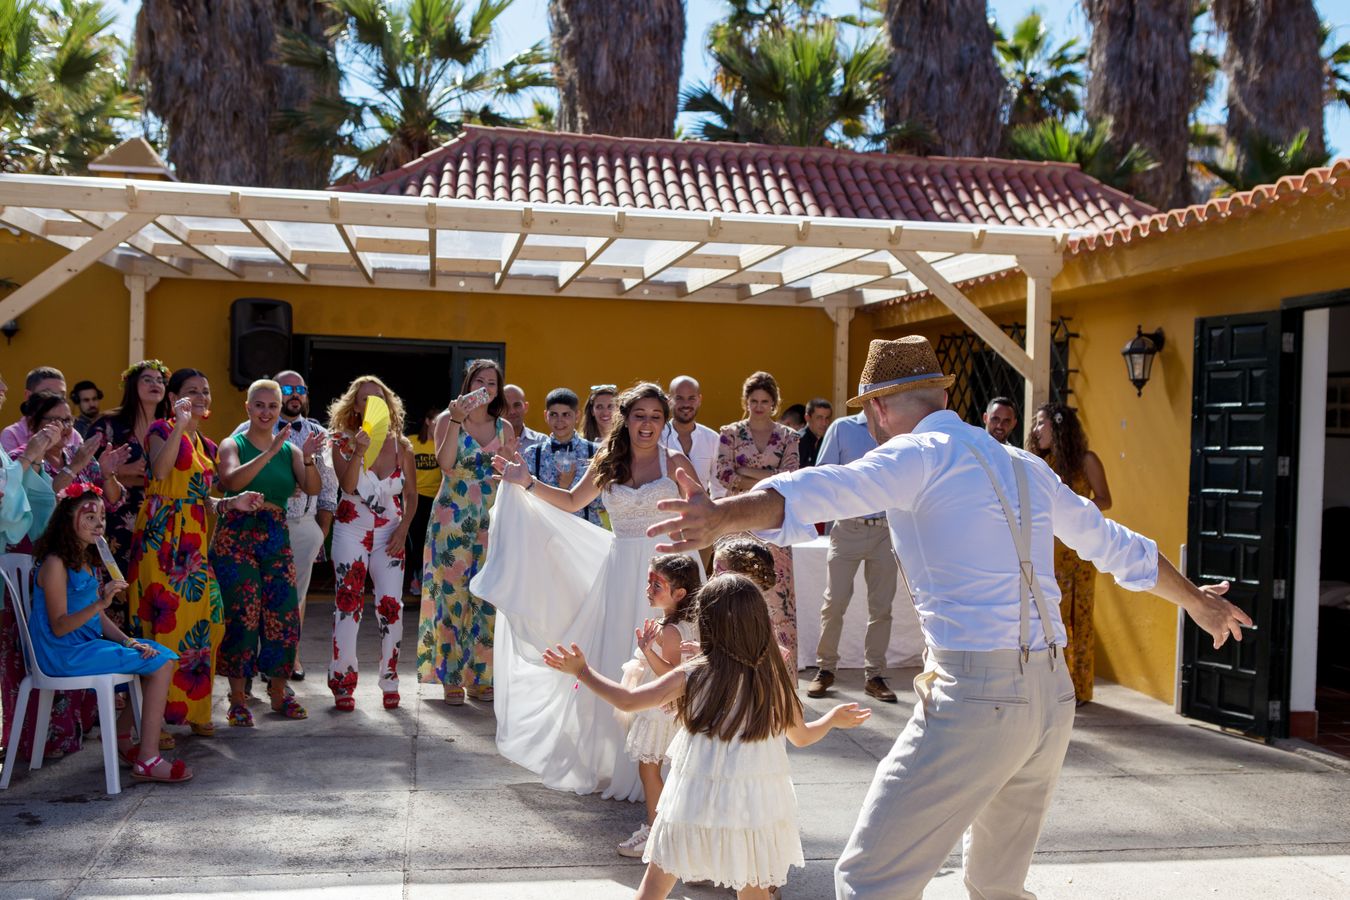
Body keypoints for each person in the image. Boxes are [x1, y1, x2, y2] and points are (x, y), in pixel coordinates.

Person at [645, 335, 1252, 900]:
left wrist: (721, 517)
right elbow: (1115, 543)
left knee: (869, 877)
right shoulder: (1024, 465)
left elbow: (817, 490)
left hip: (977, 698)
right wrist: (1197, 599)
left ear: (880, 410)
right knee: (995, 888)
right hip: (1051, 699)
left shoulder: (918, 455)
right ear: (943, 395)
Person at [541, 574, 871, 900]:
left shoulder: (696, 672)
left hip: (692, 802)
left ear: (708, 623)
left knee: (655, 888)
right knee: (753, 890)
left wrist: (582, 672)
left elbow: (628, 700)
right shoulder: (772, 678)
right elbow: (801, 737)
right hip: (752, 809)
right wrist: (831, 719)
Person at [472, 382, 701, 802]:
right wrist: (526, 483)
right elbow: (574, 500)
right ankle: (624, 762)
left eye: (655, 417)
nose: (647, 424)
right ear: (625, 419)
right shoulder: (608, 461)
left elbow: (703, 509)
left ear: (664, 423)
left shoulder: (676, 462)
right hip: (622, 573)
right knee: (620, 659)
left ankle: (673, 765)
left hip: (669, 569)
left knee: (668, 660)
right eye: (639, 416)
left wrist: (692, 547)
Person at [29, 483, 190, 782]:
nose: (99, 523)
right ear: (67, 520)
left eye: (102, 517)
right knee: (159, 664)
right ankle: (148, 758)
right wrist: (101, 601)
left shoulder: (86, 562)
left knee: (160, 655)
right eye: (89, 517)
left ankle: (121, 737)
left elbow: (99, 618)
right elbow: (60, 625)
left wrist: (128, 640)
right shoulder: (55, 564)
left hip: (86, 645)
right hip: (63, 653)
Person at [129, 368, 254, 740]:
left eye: (205, 390)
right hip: (160, 536)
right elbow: (160, 471)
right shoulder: (162, 431)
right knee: (164, 626)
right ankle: (154, 724)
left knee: (208, 620)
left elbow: (205, 500)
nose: (200, 396)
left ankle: (194, 708)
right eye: (191, 391)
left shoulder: (209, 446)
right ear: (174, 398)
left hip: (194, 541)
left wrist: (234, 502)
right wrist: (180, 425)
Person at [214, 379, 323, 725]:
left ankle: (278, 694)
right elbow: (230, 481)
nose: (266, 412)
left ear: (281, 411)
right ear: (247, 408)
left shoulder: (289, 449)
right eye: (259, 405)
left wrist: (306, 458)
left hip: (276, 534)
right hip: (236, 537)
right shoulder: (234, 443)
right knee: (241, 617)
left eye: (272, 406)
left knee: (283, 613)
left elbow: (312, 487)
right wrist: (269, 453)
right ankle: (237, 699)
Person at [229, 370, 336, 681]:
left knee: (293, 598)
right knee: (253, 595)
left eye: (299, 389)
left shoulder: (318, 433)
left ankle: (291, 657)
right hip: (256, 522)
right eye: (286, 388)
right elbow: (234, 479)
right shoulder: (244, 431)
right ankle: (249, 665)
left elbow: (328, 488)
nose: (293, 394)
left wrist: (321, 532)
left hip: (302, 525)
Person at [418, 359, 514, 705]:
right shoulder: (447, 419)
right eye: (479, 381)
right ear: (468, 386)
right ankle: (451, 677)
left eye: (492, 382)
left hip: (491, 516)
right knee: (451, 596)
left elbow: (510, 473)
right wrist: (457, 420)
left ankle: (481, 676)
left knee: (487, 597)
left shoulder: (504, 427)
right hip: (452, 516)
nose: (485, 388)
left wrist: (506, 462)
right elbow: (445, 464)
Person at [328, 376, 417, 711]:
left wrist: (403, 528)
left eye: (378, 399)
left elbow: (410, 494)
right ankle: (343, 682)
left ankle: (390, 679)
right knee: (348, 605)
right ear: (355, 405)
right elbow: (349, 487)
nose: (371, 405)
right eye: (364, 399)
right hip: (351, 529)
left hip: (389, 534)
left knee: (392, 608)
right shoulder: (341, 441)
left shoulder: (402, 446)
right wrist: (360, 451)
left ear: (388, 405)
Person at [0, 370, 74, 764]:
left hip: (47, 574)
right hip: (23, 573)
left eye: (66, 421)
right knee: (19, 663)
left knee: (45, 657)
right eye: (51, 421)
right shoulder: (19, 461)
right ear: (31, 424)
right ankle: (21, 744)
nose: (60, 428)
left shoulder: (44, 466)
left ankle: (52, 740)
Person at [805, 409, 899, 704]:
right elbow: (822, 474)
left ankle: (875, 676)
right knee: (835, 603)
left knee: (881, 608)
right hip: (848, 527)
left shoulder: (900, 430)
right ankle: (825, 669)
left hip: (887, 529)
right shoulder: (843, 428)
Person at [616, 553, 703, 860]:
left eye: (657, 584)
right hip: (678, 707)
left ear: (679, 593)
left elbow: (672, 673)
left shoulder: (670, 630)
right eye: (650, 581)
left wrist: (646, 650)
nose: (649, 589)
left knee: (648, 769)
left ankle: (655, 832)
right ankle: (674, 831)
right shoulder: (688, 621)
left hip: (662, 708)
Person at [1027, 402, 1113, 705]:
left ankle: (1079, 688)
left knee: (1080, 620)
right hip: (1046, 554)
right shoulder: (1040, 463)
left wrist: (1076, 511)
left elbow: (1105, 500)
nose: (1036, 430)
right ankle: (1053, 686)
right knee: (1050, 621)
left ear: (1059, 427)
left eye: (1041, 423)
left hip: (1078, 554)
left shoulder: (1086, 461)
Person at [715, 372, 800, 671]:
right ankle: (733, 675)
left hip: (775, 525)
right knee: (734, 593)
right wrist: (768, 477)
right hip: (737, 522)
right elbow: (722, 474)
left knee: (778, 600)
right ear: (745, 401)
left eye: (765, 401)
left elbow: (790, 478)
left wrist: (746, 473)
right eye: (754, 401)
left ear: (775, 404)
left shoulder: (789, 437)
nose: (759, 406)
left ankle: (782, 679)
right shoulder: (730, 433)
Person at [90, 360, 170, 627]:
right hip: (118, 521)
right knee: (118, 585)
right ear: (132, 385)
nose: (154, 384)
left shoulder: (172, 427)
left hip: (160, 519)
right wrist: (125, 470)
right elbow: (87, 469)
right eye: (147, 379)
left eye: (160, 380)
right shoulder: (109, 425)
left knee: (156, 590)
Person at [20, 391, 128, 511]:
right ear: (32, 424)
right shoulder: (21, 458)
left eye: (67, 420)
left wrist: (108, 475)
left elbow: (114, 500)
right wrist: (74, 467)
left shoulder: (79, 454)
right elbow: (45, 502)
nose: (64, 428)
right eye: (56, 421)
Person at [522, 387, 603, 525]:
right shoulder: (532, 454)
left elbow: (603, 502)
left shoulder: (595, 452)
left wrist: (571, 488)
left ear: (577, 416)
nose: (559, 421)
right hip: (547, 532)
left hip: (586, 532)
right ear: (545, 416)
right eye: (554, 414)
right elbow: (525, 499)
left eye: (566, 415)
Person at [1, 366, 82, 456]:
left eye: (61, 395)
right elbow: (13, 469)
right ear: (28, 396)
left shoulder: (73, 435)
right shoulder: (12, 435)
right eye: (47, 394)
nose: (56, 400)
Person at [662, 376, 721, 498]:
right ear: (669, 400)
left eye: (691, 398)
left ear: (699, 399)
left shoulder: (713, 439)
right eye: (679, 398)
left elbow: (718, 488)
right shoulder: (657, 436)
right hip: (662, 514)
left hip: (701, 514)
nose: (686, 404)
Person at [406, 406, 441, 596]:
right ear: (427, 421)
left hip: (435, 499)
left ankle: (428, 580)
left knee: (433, 542)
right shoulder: (411, 442)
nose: (438, 426)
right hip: (415, 498)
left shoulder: (443, 444)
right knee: (416, 542)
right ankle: (414, 579)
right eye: (435, 422)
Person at [502, 384, 546, 455]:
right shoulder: (488, 442)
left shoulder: (541, 442)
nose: (512, 411)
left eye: (517, 405)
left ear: (526, 407)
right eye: (506, 406)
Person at [796, 398, 833, 468]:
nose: (824, 423)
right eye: (819, 418)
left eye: (827, 418)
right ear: (807, 418)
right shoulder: (797, 441)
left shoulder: (829, 442)